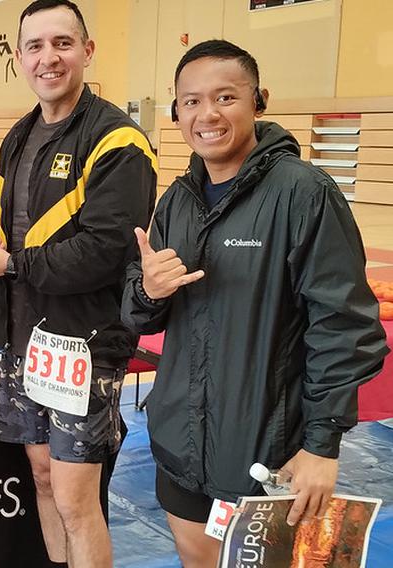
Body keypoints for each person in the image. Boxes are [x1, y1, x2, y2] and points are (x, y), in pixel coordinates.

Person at [0, 2, 157, 565]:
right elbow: (2, 212)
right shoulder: (19, 134)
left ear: (87, 51)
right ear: (20, 57)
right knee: (43, 479)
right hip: (24, 337)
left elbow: (104, 251)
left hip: (82, 344)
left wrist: (13, 265)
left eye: (62, 43)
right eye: (35, 46)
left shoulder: (119, 141)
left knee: (76, 497)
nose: (49, 58)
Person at [122, 39, 389, 568]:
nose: (207, 114)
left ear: (258, 101)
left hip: (267, 453)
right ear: (177, 112)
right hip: (180, 443)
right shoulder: (178, 200)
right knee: (194, 556)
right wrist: (147, 290)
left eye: (225, 97)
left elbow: (344, 327)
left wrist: (322, 444)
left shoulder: (302, 194)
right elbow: (139, 312)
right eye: (191, 102)